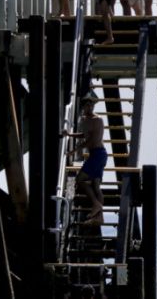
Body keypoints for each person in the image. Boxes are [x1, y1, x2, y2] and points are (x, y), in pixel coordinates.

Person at [63, 95, 108, 224]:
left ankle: (96, 204)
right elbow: (84, 135)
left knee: (79, 179)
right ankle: (99, 217)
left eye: (91, 105)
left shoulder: (97, 120)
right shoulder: (85, 120)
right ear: (82, 107)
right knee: (95, 186)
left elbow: (91, 140)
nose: (89, 107)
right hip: (95, 154)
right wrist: (70, 134)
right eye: (86, 105)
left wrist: (74, 150)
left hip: (98, 154)